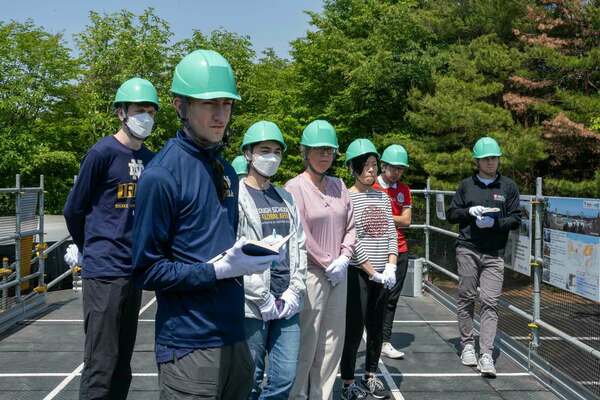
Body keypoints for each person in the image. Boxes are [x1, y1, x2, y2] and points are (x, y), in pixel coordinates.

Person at [131, 50, 280, 399]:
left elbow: (219, 243)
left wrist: (249, 256)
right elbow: (146, 270)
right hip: (189, 345)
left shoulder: (225, 169)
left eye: (227, 104)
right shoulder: (161, 175)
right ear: (179, 106)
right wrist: (215, 272)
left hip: (235, 336)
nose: (220, 115)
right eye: (208, 104)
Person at [63, 77, 159, 399]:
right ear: (121, 112)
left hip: (133, 271)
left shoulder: (151, 159)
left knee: (122, 364)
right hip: (104, 271)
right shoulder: (102, 153)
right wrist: (90, 246)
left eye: (150, 110)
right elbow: (74, 209)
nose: (145, 116)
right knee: (100, 363)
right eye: (138, 109)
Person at [286, 120, 356, 400]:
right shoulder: (294, 187)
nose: (325, 155)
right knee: (307, 340)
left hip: (340, 273)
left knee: (332, 340)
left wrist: (344, 258)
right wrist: (328, 262)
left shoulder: (339, 185)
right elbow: (299, 230)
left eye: (329, 150)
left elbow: (351, 227)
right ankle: (298, 395)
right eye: (319, 150)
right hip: (312, 273)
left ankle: (321, 395)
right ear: (306, 152)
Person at [237, 120, 307, 400]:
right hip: (253, 305)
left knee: (284, 378)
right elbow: (235, 251)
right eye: (265, 150)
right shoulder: (236, 197)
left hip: (286, 303)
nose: (272, 157)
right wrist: (260, 295)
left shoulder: (286, 198)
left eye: (277, 151)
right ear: (248, 154)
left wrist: (295, 290)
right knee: (249, 379)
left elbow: (299, 246)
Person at [447, 136, 521, 377]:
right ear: (477, 161)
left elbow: (516, 218)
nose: (491, 162)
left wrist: (496, 222)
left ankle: (486, 353)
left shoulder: (508, 186)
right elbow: (452, 214)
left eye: (495, 158)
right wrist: (469, 211)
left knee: (490, 301)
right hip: (468, 248)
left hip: (494, 254)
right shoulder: (466, 185)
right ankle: (467, 344)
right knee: (467, 296)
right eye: (486, 159)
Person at [340, 139, 397, 400]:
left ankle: (371, 376)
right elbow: (351, 239)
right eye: (365, 166)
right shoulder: (347, 197)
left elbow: (391, 233)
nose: (371, 171)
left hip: (383, 273)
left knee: (376, 328)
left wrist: (391, 265)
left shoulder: (383, 198)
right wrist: (371, 270)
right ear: (353, 168)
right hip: (358, 273)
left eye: (374, 165)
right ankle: (348, 382)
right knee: (353, 330)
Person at [373, 144, 412, 360]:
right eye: (394, 167)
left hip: (399, 249)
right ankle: (372, 337)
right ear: (384, 165)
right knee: (373, 297)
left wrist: (383, 215)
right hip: (374, 250)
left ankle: (384, 341)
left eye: (401, 168)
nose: (397, 172)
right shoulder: (370, 186)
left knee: (391, 298)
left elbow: (407, 220)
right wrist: (392, 218)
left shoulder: (403, 190)